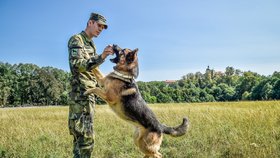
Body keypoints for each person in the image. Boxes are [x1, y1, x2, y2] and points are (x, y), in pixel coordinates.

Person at [68, 12, 113, 158]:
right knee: (86, 139)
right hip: (80, 94)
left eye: (103, 27)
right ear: (90, 23)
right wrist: (102, 57)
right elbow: (77, 65)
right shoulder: (77, 39)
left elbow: (92, 70)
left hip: (89, 94)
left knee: (81, 140)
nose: (100, 29)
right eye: (99, 25)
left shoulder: (91, 44)